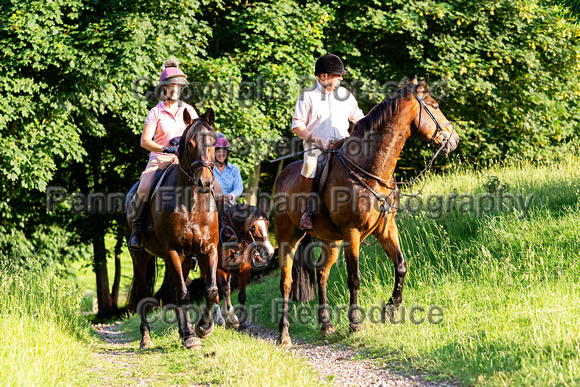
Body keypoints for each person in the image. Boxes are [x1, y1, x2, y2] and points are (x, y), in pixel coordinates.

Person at [128, 59, 198, 250]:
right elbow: (145, 141)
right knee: (144, 186)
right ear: (164, 89)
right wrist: (165, 148)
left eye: (177, 86)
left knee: (213, 185)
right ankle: (137, 231)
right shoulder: (155, 112)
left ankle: (220, 226)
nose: (174, 89)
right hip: (160, 159)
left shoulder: (189, 110)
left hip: (183, 161)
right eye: (170, 86)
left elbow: (198, 134)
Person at [291, 53, 365, 231]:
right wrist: (318, 140)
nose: (340, 78)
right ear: (323, 76)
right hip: (316, 146)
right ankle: (306, 211)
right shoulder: (307, 96)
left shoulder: (345, 95)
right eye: (336, 75)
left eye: (340, 75)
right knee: (309, 165)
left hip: (343, 145)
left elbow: (359, 118)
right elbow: (297, 126)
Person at [213, 133, 243, 204]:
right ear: (214, 153)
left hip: (229, 204)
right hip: (212, 204)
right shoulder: (209, 169)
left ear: (227, 153)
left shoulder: (234, 169)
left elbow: (239, 187)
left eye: (224, 151)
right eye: (218, 151)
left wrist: (230, 196)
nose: (221, 154)